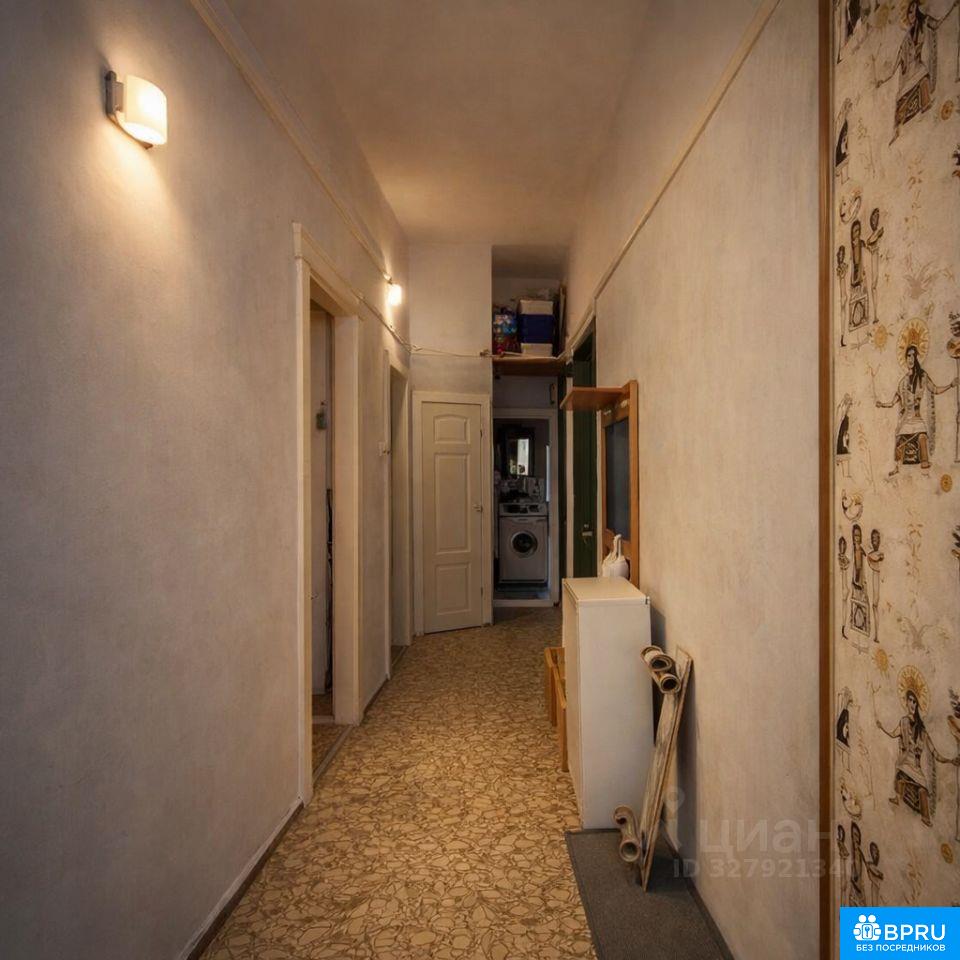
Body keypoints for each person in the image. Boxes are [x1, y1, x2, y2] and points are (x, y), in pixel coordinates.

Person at [877, 689, 960, 827]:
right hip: (905, 762)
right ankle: (898, 796)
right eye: (910, 700)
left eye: (915, 702)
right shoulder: (903, 721)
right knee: (901, 770)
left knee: (923, 788)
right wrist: (881, 727)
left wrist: (950, 760)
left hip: (916, 767)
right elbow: (893, 734)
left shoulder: (922, 730)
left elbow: (935, 753)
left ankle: (925, 817)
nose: (912, 704)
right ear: (906, 702)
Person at [876, 344, 957, 474]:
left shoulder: (922, 376)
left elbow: (935, 389)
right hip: (905, 421)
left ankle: (925, 465)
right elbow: (892, 403)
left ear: (917, 358)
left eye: (913, 356)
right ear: (905, 358)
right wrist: (881, 404)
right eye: (909, 356)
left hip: (917, 420)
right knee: (899, 437)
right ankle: (897, 467)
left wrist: (950, 385)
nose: (911, 359)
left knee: (922, 436)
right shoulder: (902, 382)